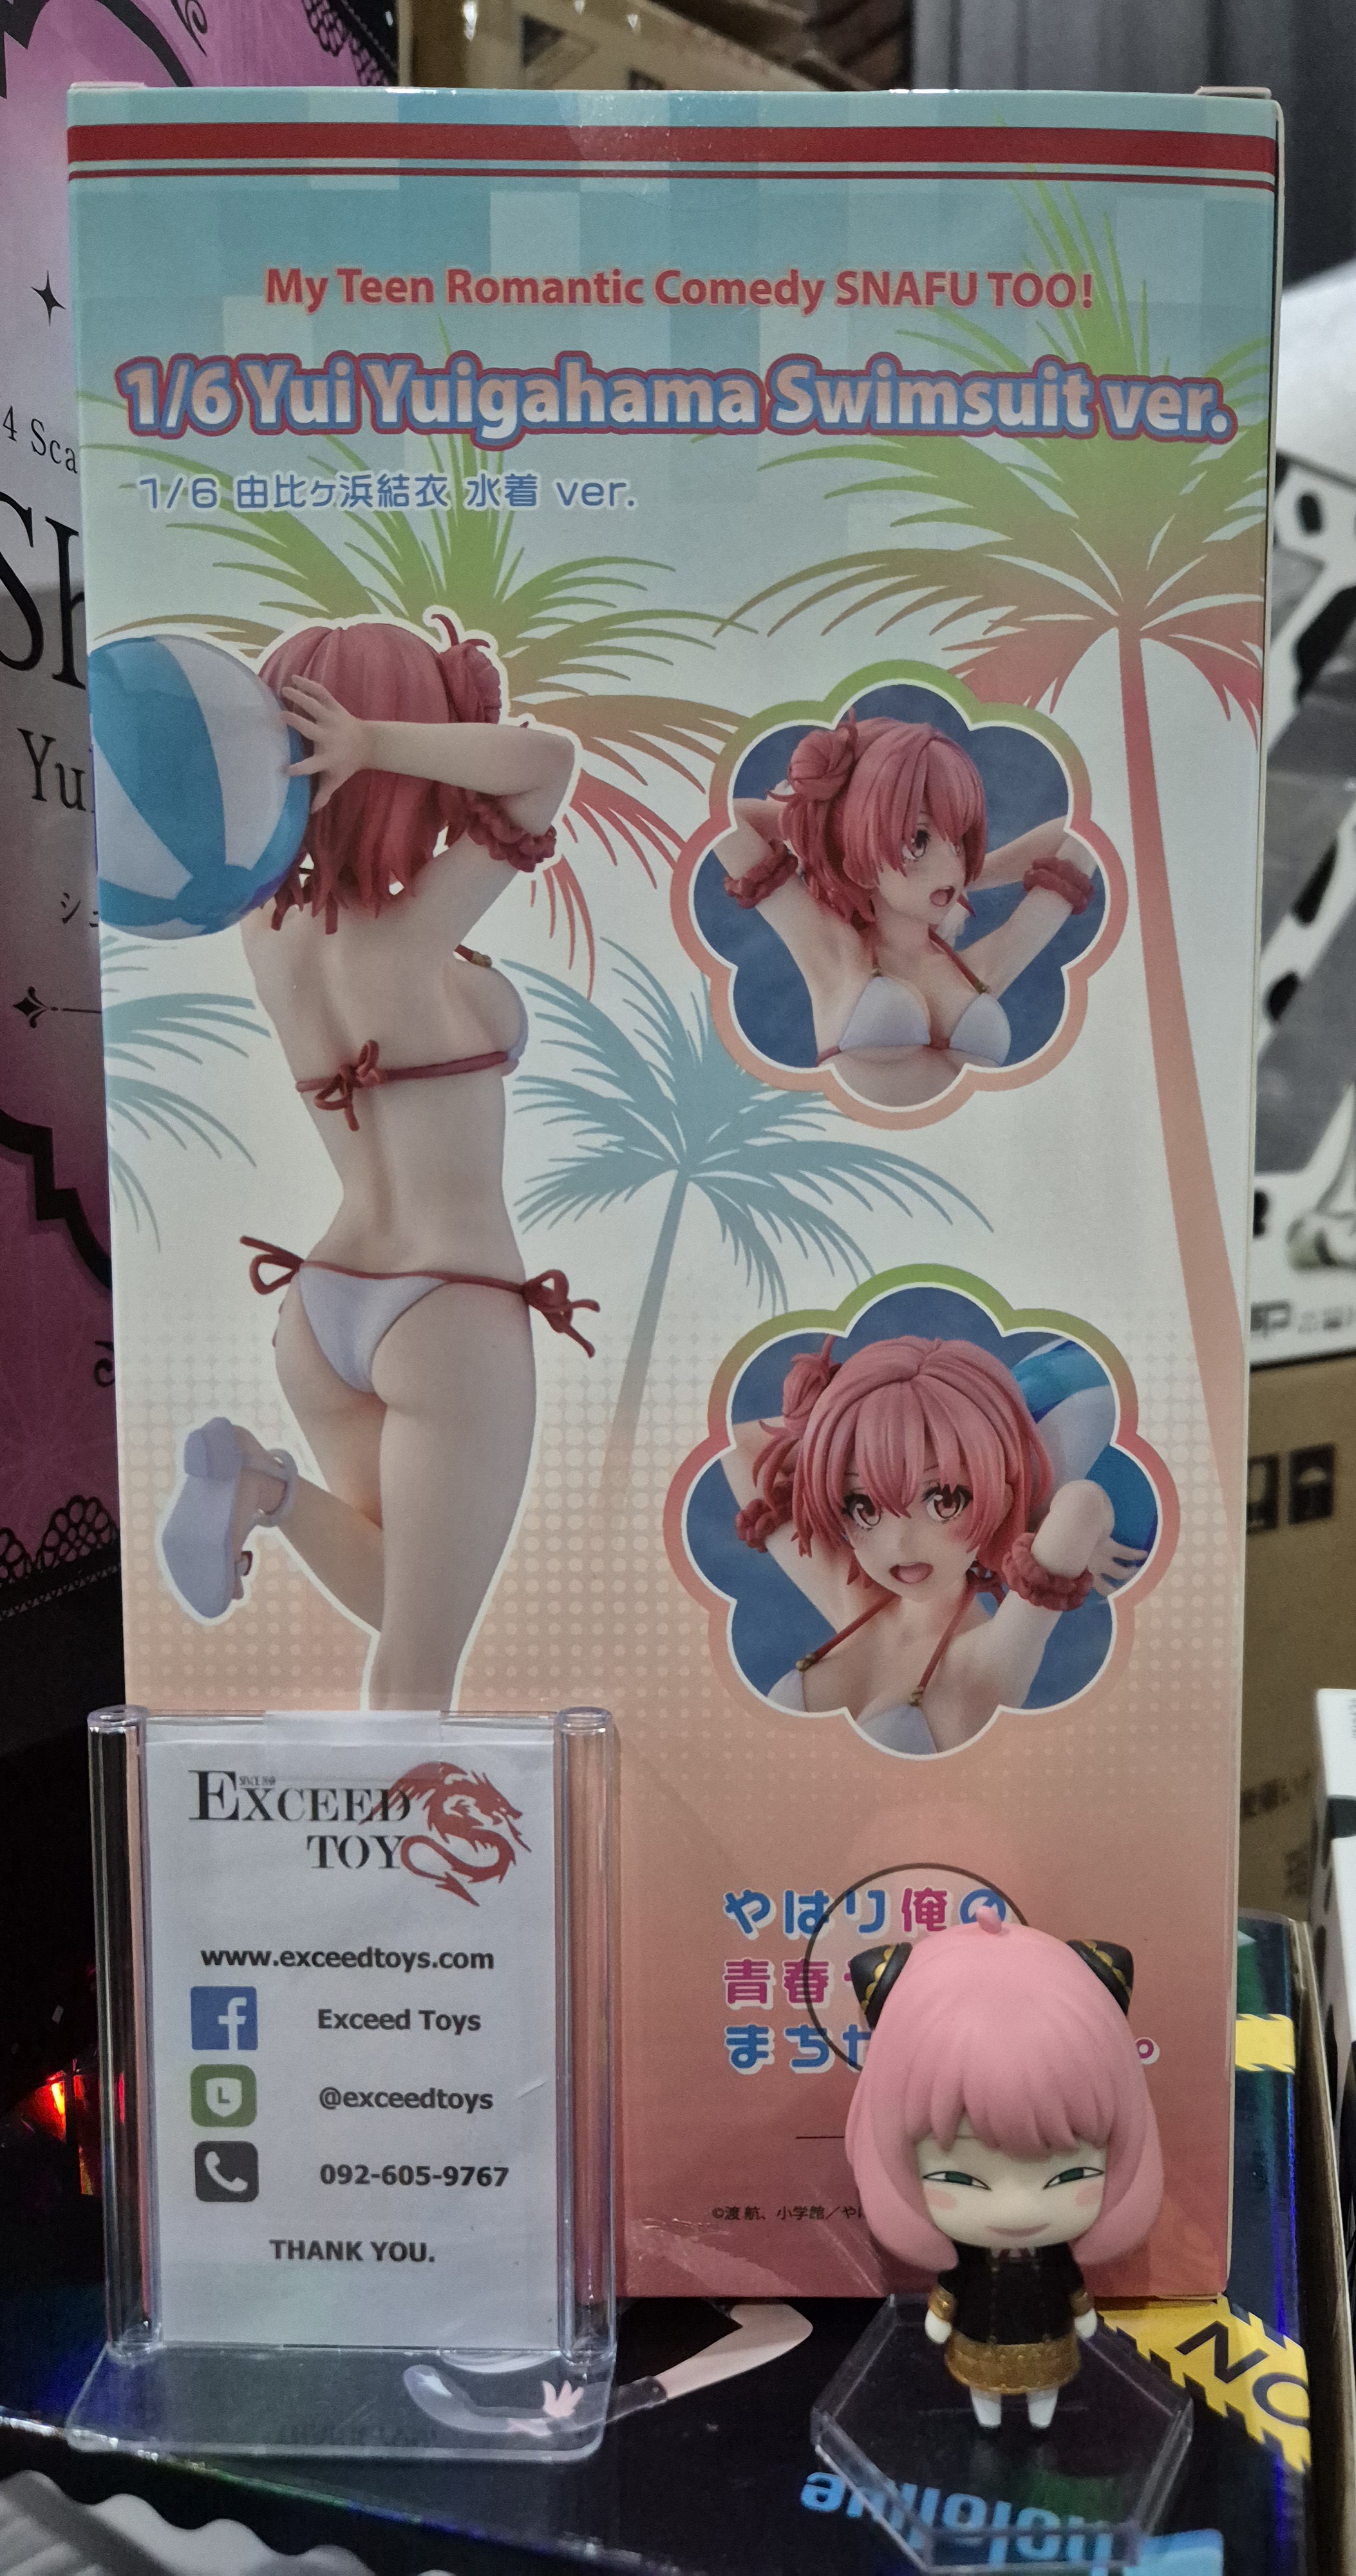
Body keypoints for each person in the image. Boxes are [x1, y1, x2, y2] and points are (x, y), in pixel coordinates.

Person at [158, 614, 587, 1711]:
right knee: (416, 1668)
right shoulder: (412, 934)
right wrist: (378, 742)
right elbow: (547, 766)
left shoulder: (268, 929)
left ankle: (263, 1485)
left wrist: (306, 755)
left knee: (404, 1597)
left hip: (326, 1304)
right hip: (449, 1306)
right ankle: (410, 1832)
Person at [728, 1334, 1142, 1753]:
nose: (900, 1543)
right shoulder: (851, 1600)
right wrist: (847, 1430)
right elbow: (739, 1447)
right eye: (863, 1507)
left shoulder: (988, 1660)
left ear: (1000, 1502)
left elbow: (1083, 1504)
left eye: (944, 1502)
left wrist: (1025, 1521)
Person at [843, 1911, 1163, 2430]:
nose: (1017, 2209)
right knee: (984, 2389)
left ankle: (1040, 2412)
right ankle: (989, 2414)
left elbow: (1073, 2285)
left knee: (1045, 2388)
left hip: (1047, 2336)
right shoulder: (969, 2258)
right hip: (980, 2338)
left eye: (1068, 2177)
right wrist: (939, 2316)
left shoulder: (1055, 2258)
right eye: (959, 2178)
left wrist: (1084, 2314)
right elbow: (952, 2286)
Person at [716, 714, 1095, 1107]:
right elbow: (724, 823)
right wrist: (837, 825)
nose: (947, 865)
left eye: (958, 842)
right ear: (861, 859)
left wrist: (965, 876)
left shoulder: (978, 969)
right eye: (918, 840)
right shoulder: (834, 952)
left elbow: (1083, 833)